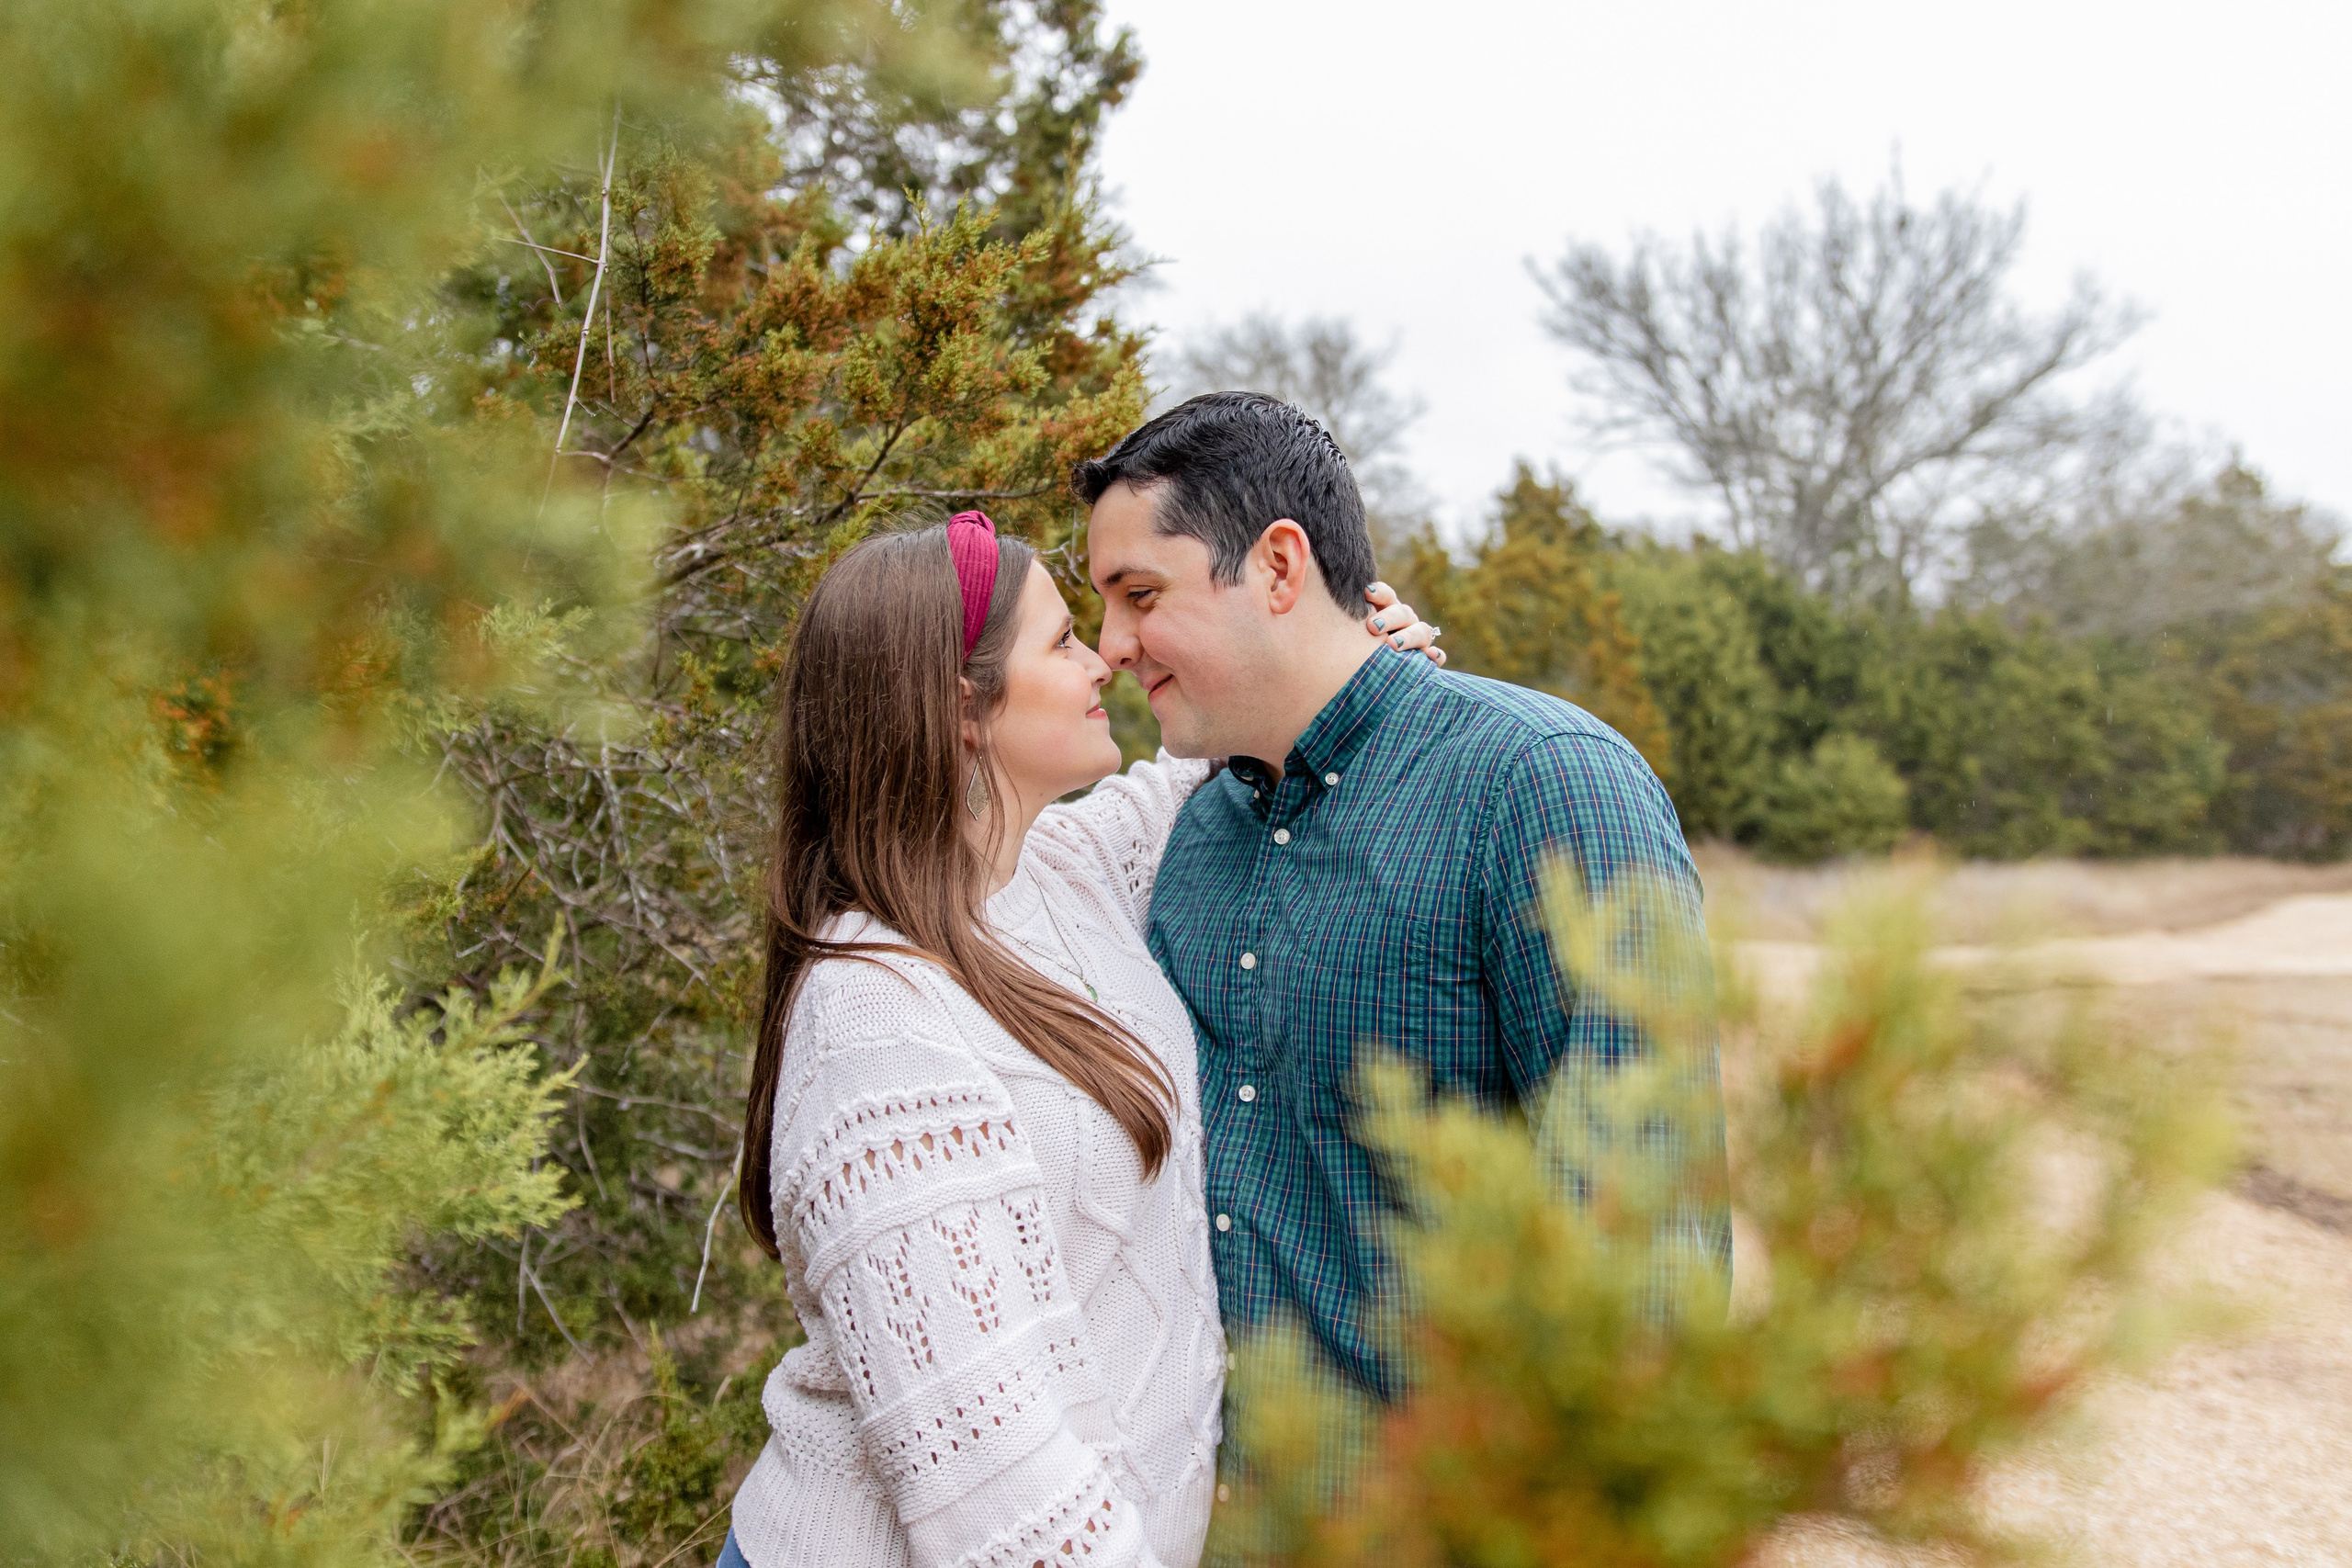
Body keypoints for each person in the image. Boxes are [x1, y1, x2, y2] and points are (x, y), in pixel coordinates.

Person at [718, 510, 1442, 1568]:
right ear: (961, 708)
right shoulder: (874, 1020)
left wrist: (1342, 665)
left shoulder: (1055, 871)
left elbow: (1197, 774)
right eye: (1061, 640)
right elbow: (990, 1487)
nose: (1104, 657)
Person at [1074, 392, 1731, 1416]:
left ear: (1279, 568)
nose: (1111, 644)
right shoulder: (1189, 835)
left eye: (1141, 595)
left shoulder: (1543, 784)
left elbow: (1642, 1257)